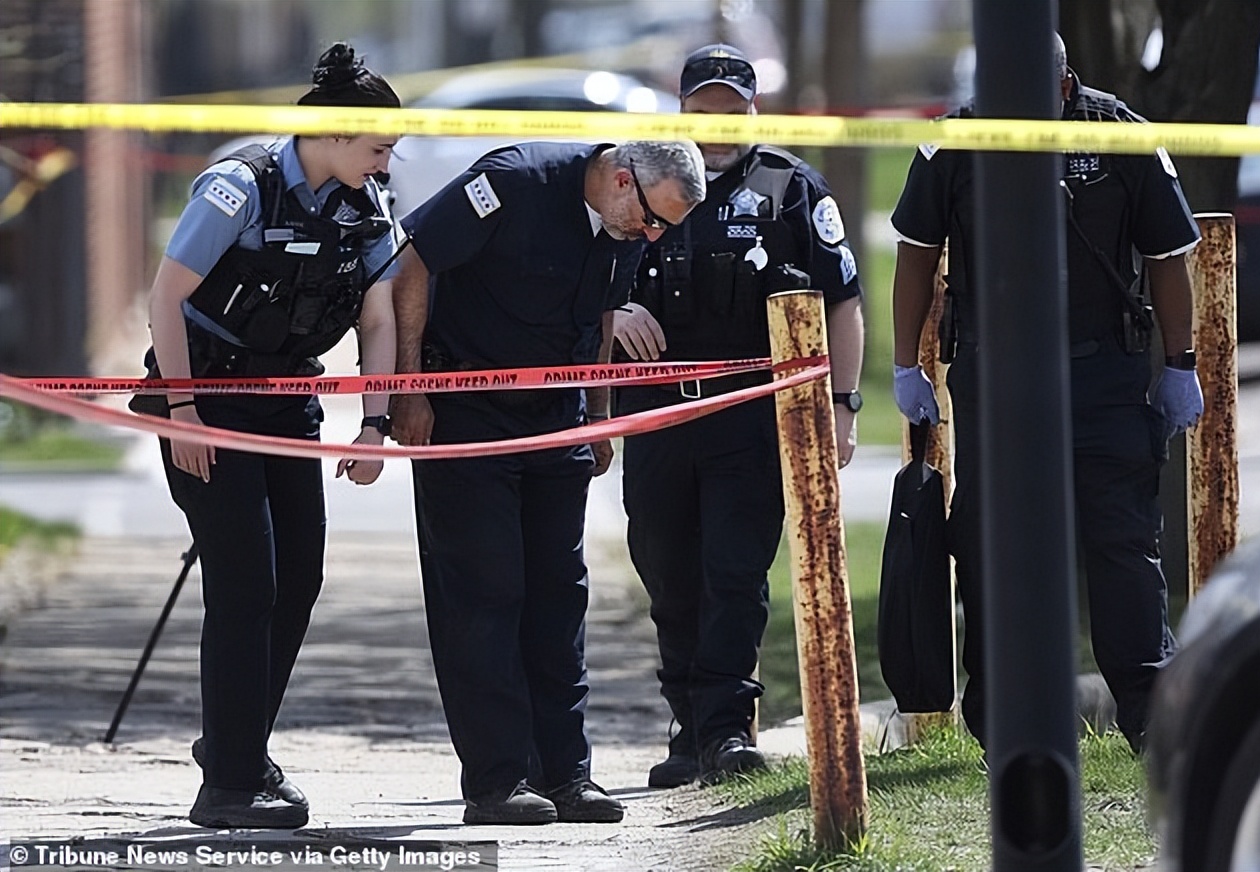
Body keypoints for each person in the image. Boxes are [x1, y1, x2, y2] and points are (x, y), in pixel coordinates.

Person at [889, 35, 1204, 752]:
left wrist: (1180, 363)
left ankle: (1154, 716)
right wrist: (906, 367)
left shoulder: (1120, 134)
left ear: (1064, 87)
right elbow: (915, 256)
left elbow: (1167, 256)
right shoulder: (954, 144)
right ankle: (1006, 721)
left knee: (1122, 544)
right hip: (995, 379)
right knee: (993, 544)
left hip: (1102, 375)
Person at [389, 139, 706, 824]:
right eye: (652, 220)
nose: (653, 236)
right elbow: (411, 269)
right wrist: (407, 390)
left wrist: (597, 416)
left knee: (559, 600)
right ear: (624, 180)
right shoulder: (513, 182)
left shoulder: (627, 223)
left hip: (555, 418)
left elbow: (600, 317)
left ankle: (566, 774)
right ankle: (497, 781)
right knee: (485, 594)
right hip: (466, 412)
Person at [142, 43, 402, 828]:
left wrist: (375, 423)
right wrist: (183, 413)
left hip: (289, 406)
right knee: (246, 585)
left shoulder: (370, 206)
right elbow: (165, 298)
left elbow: (381, 317)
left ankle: (237, 746)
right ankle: (227, 787)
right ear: (331, 133)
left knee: (298, 583)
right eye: (378, 147)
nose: (387, 163)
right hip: (206, 401)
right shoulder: (239, 188)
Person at [611, 44, 866, 787]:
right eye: (703, 111)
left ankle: (727, 728)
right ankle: (688, 727)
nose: (718, 124)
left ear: (755, 112)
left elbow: (842, 301)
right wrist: (615, 311)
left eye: (733, 111)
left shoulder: (790, 187)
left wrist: (843, 405)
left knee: (734, 572)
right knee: (667, 571)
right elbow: (588, 274)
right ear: (681, 111)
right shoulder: (638, 178)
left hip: (750, 420)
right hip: (655, 416)